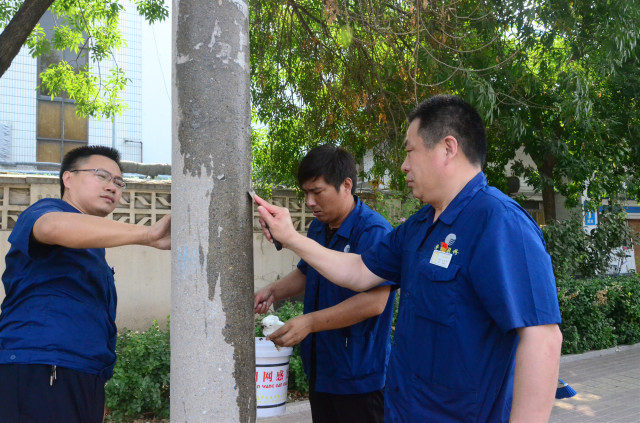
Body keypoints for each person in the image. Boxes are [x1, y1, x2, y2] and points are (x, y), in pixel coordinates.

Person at [252, 95, 563, 422]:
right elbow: (359, 270)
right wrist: (291, 238)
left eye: (410, 151)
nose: (404, 165)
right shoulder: (419, 228)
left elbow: (542, 337)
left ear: (447, 148)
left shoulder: (498, 222)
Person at [0, 146, 171, 423]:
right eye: (101, 175)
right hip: (41, 365)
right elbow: (50, 227)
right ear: (68, 179)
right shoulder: (46, 210)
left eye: (118, 182)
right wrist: (148, 234)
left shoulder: (94, 246)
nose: (112, 186)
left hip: (81, 373)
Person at [254, 145, 395, 423]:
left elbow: (374, 302)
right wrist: (273, 290)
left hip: (359, 377)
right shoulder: (318, 228)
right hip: (322, 369)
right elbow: (307, 273)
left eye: (317, 192)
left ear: (346, 185)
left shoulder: (374, 232)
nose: (309, 202)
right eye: (305, 193)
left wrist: (309, 323)